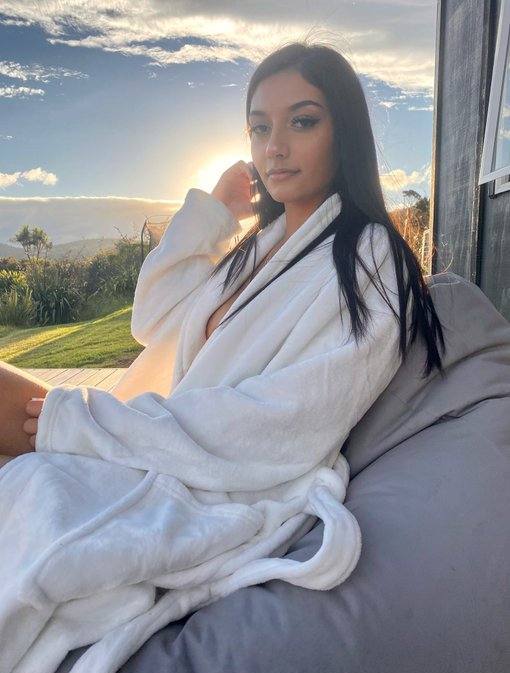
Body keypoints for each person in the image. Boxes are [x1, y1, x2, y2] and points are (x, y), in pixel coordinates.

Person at [1, 41, 445, 467]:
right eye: (260, 128)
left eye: (302, 121)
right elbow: (152, 320)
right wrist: (215, 212)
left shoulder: (368, 255)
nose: (274, 147)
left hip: (203, 477)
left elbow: (288, 420)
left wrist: (94, 426)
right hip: (156, 447)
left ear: (344, 132)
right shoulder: (259, 250)